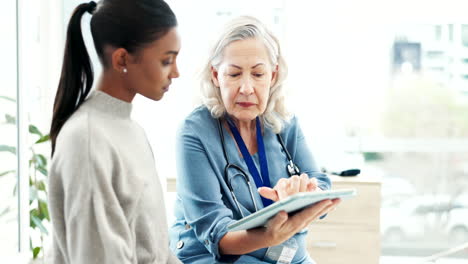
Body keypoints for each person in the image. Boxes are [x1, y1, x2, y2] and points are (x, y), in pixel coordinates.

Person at [169, 16, 341, 263]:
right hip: (217, 256)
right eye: (235, 74)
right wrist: (269, 236)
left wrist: (304, 192)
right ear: (216, 76)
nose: (247, 88)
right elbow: (216, 234)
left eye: (258, 74)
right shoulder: (195, 131)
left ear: (273, 76)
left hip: (288, 256)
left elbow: (321, 183)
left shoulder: (285, 122)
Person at [48, 0, 181, 263]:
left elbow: (158, 253)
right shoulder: (86, 140)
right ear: (122, 59)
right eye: (167, 60)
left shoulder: (132, 131)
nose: (176, 73)